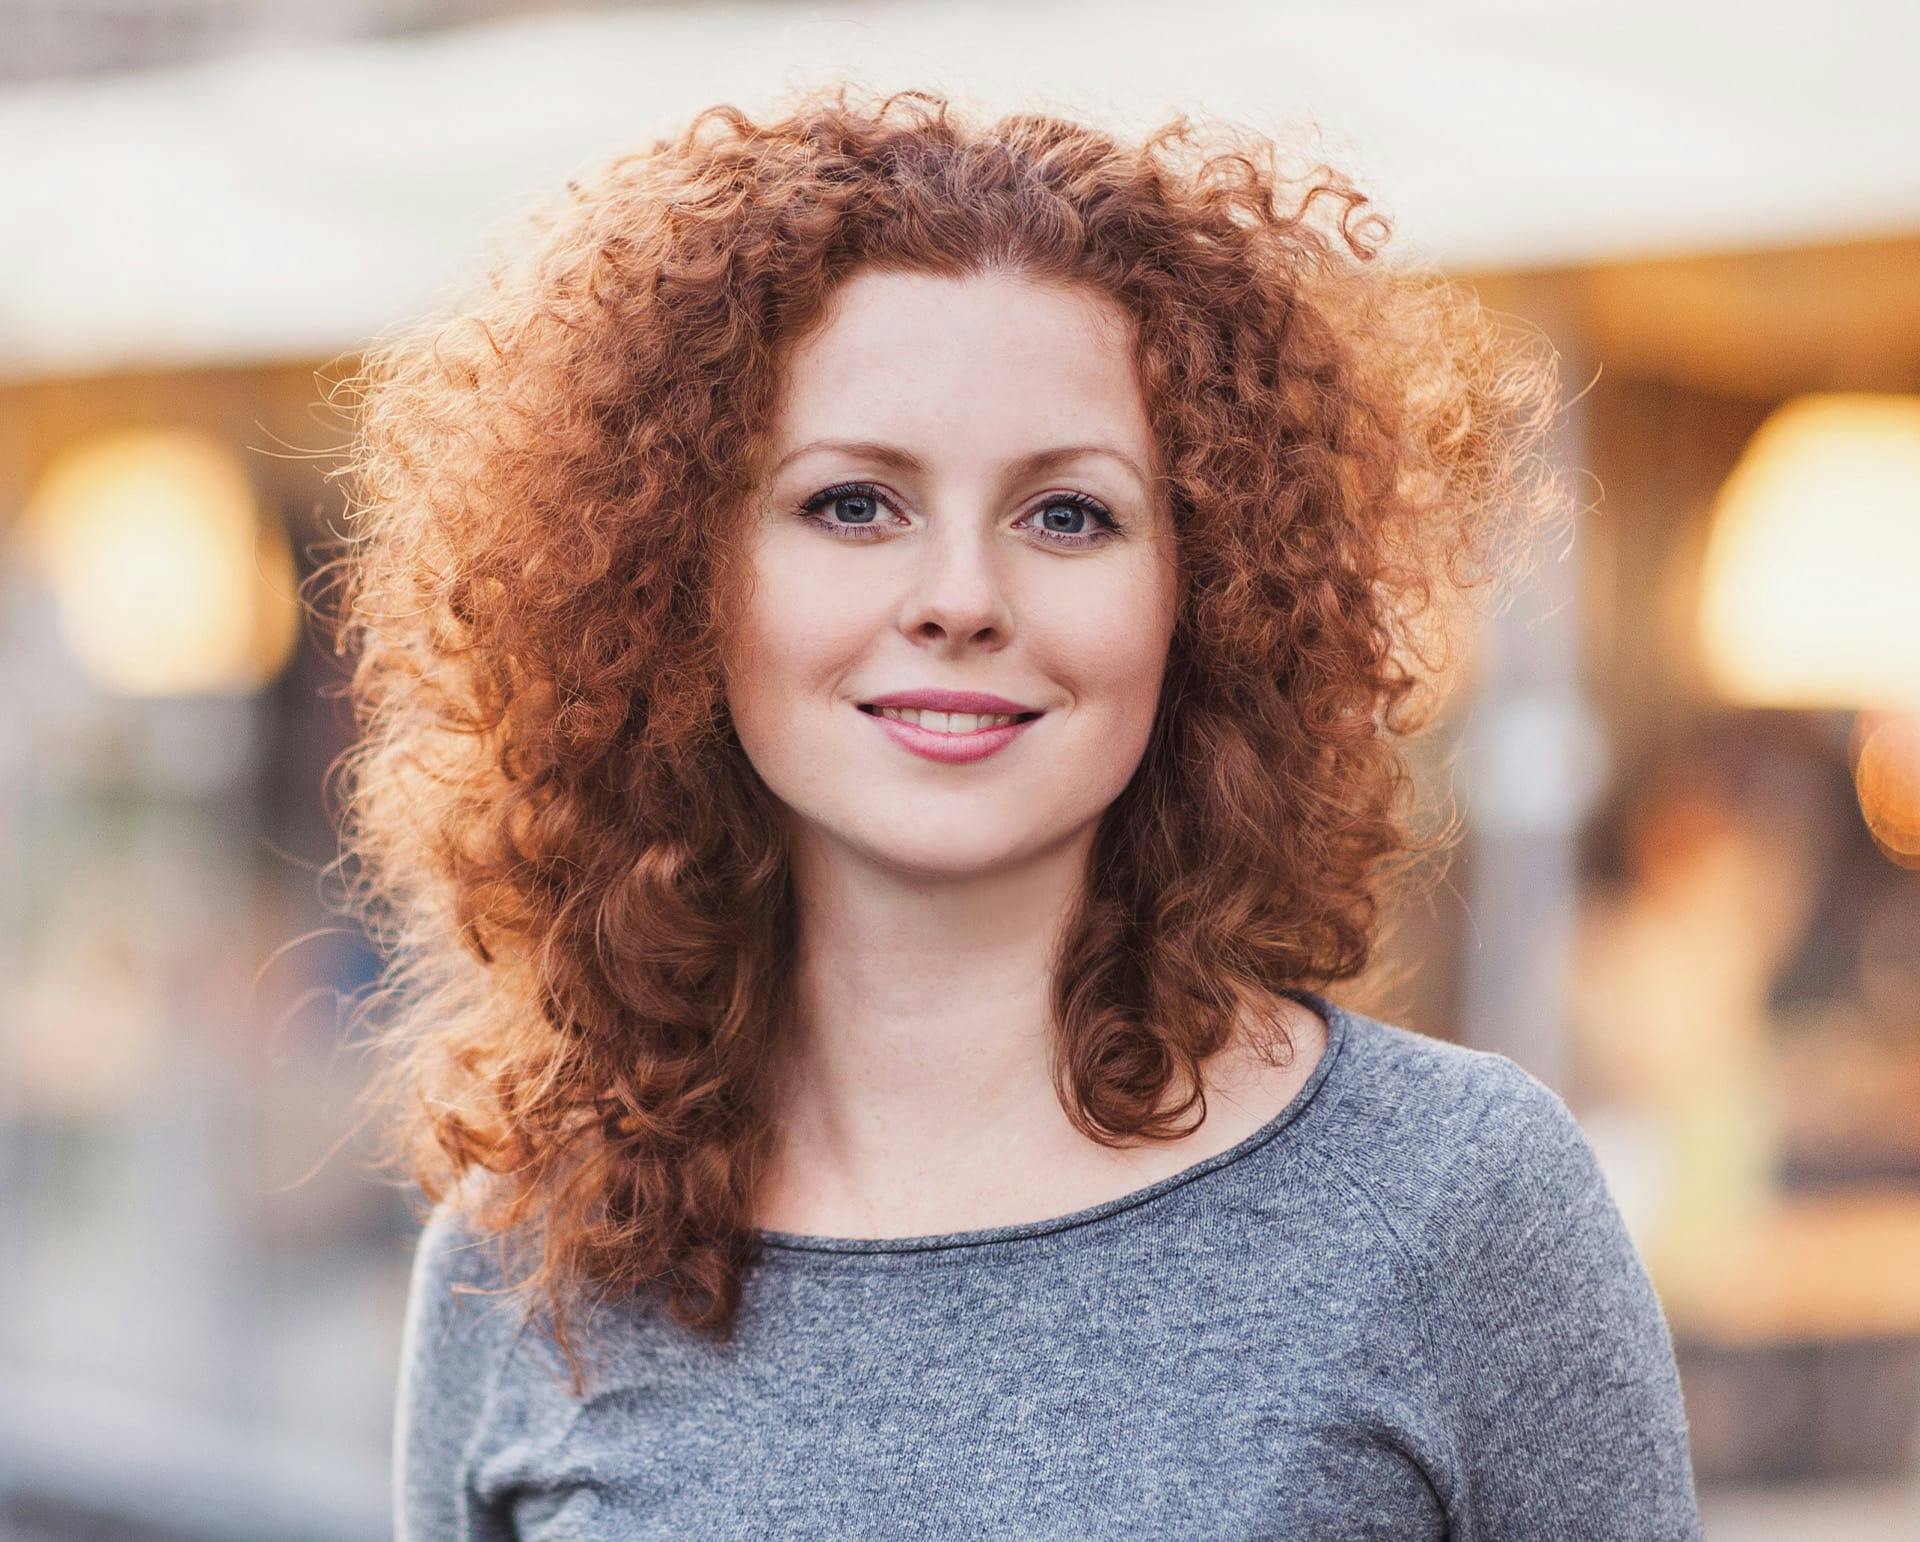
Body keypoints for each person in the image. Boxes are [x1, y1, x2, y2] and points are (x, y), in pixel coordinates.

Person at [327, 82, 1702, 1539]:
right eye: (854, 503)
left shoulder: (1457, 1202)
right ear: (676, 575)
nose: (963, 600)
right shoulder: (524, 1260)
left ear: (1208, 592)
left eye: (1068, 514)